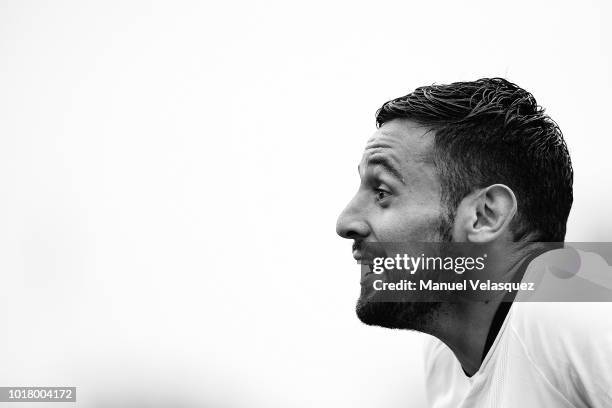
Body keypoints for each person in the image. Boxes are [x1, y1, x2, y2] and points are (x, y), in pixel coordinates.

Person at [336, 78, 612, 407]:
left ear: (484, 216)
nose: (346, 222)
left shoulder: (572, 302)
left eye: (382, 192)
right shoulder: (445, 360)